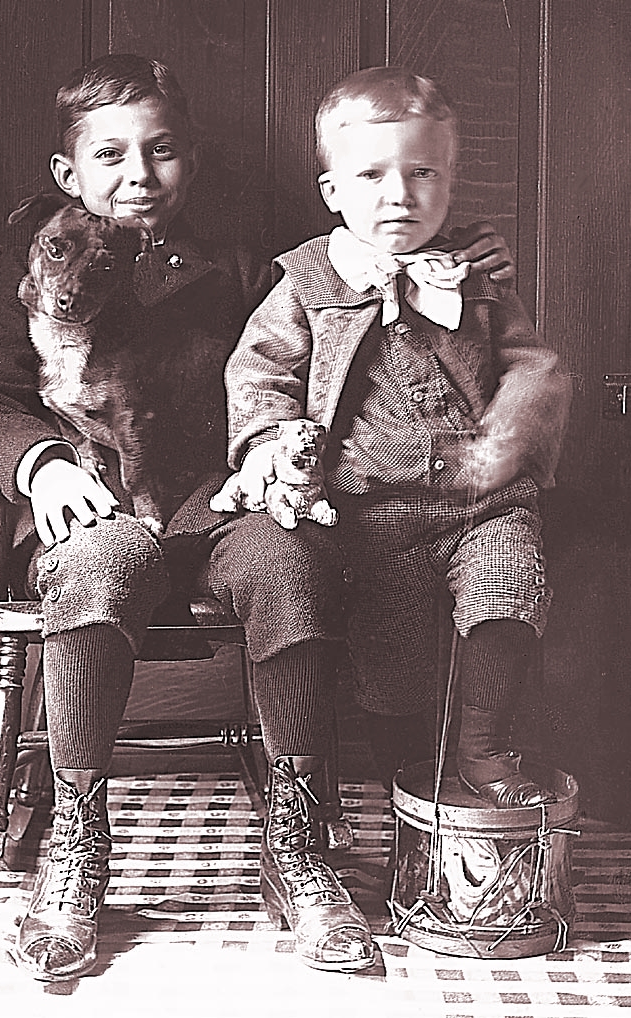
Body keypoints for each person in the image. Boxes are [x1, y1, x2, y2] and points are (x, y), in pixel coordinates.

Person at [0, 53, 518, 981]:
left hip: (225, 501)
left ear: (191, 163)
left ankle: (296, 842)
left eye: (161, 152)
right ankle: (76, 841)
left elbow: (362, 271)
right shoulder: (40, 269)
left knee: (289, 565)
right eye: (112, 156)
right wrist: (37, 465)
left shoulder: (252, 264)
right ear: (68, 172)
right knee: (95, 565)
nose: (139, 176)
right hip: (97, 498)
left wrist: (465, 256)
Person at [215, 66, 571, 810]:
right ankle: (408, 778)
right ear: (334, 192)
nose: (400, 195)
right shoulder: (309, 281)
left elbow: (533, 364)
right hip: (378, 516)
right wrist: (274, 443)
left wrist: (509, 432)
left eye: (422, 173)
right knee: (393, 658)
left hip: (487, 503)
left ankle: (483, 747)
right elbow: (260, 371)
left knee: (509, 600)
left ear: (451, 179)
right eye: (372, 175)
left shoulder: (475, 275)